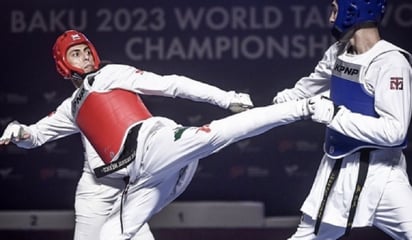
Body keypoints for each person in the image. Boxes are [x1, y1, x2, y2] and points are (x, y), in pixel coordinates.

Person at [0, 30, 329, 239]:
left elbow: (173, 84)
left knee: (215, 135)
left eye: (86, 50)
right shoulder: (72, 106)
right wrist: (19, 131)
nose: (85, 56)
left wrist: (225, 97)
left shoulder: (113, 74)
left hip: (153, 151)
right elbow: (36, 136)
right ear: (63, 64)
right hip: (113, 187)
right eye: (76, 53)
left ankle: (304, 107)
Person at [272, 0, 412, 239]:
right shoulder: (337, 51)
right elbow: (304, 91)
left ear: (353, 10)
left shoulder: (391, 62)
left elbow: (395, 131)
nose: (330, 18)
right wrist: (261, 107)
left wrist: (335, 115)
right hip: (337, 170)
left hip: (382, 174)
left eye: (335, 9)